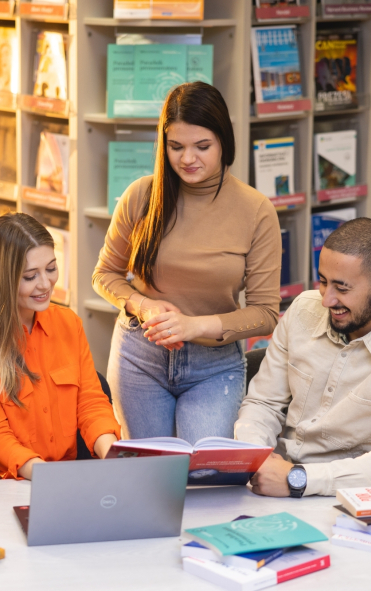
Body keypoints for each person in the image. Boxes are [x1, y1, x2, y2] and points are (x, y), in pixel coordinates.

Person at [93, 81, 282, 444]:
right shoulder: (141, 195)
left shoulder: (256, 210)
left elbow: (265, 313)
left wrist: (193, 326)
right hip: (139, 356)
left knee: (208, 477)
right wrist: (143, 305)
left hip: (214, 366)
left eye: (202, 146)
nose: (187, 159)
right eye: (176, 146)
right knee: (148, 477)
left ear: (224, 141)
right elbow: (105, 274)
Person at [235, 218, 371, 498]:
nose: (326, 300)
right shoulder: (302, 310)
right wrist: (257, 459)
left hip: (348, 495)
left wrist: (299, 479)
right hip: (275, 481)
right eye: (323, 282)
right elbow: (263, 402)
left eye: (342, 288)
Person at [0, 213, 121, 480]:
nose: (45, 284)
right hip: (5, 485)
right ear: (2, 279)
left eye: (51, 269)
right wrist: (48, 477)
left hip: (64, 477)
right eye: (30, 276)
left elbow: (91, 402)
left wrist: (112, 453)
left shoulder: (68, 323)